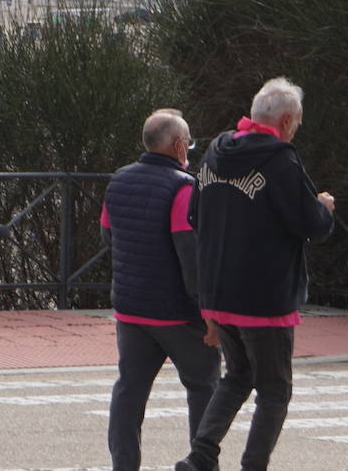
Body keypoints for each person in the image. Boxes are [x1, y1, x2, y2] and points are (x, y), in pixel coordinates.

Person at [175, 77, 335, 471]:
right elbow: (310, 223)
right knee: (275, 390)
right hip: (264, 296)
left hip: (219, 291)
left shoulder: (216, 150)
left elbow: (195, 213)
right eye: (296, 122)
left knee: (237, 376)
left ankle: (200, 457)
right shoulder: (280, 158)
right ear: (285, 120)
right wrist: (325, 207)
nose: (296, 129)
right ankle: (253, 465)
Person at [102, 109, 220, 471]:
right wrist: (207, 312)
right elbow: (190, 254)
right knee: (204, 388)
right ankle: (203, 464)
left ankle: (124, 465)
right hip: (175, 313)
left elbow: (109, 236)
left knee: (129, 391)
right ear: (179, 145)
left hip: (130, 308)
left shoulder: (118, 181)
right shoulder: (183, 187)